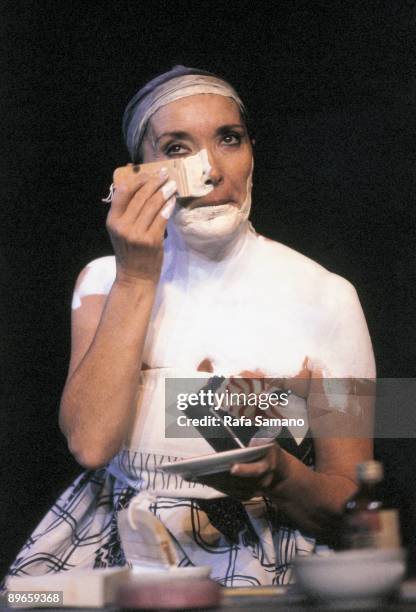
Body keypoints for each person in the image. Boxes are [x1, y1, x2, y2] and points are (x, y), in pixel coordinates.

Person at [4, 65, 375, 586]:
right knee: (27, 602)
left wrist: (284, 475)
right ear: (139, 173)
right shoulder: (102, 282)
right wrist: (136, 276)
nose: (211, 170)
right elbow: (91, 444)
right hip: (115, 556)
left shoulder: (328, 298)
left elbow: (357, 502)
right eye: (177, 148)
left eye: (229, 139)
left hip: (258, 564)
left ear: (251, 153)